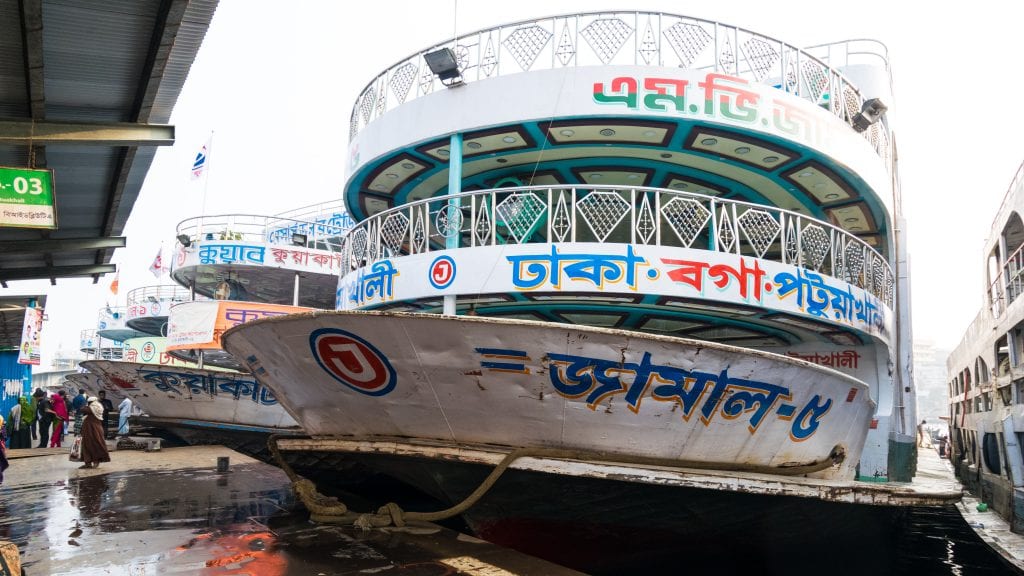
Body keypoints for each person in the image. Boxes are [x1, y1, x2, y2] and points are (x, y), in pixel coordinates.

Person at [79, 397, 110, 469]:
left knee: (94, 445)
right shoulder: (98, 406)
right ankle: (88, 463)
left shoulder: (93, 407)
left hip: (93, 430)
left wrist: (85, 404)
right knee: (87, 445)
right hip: (91, 430)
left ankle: (95, 462)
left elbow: (82, 409)